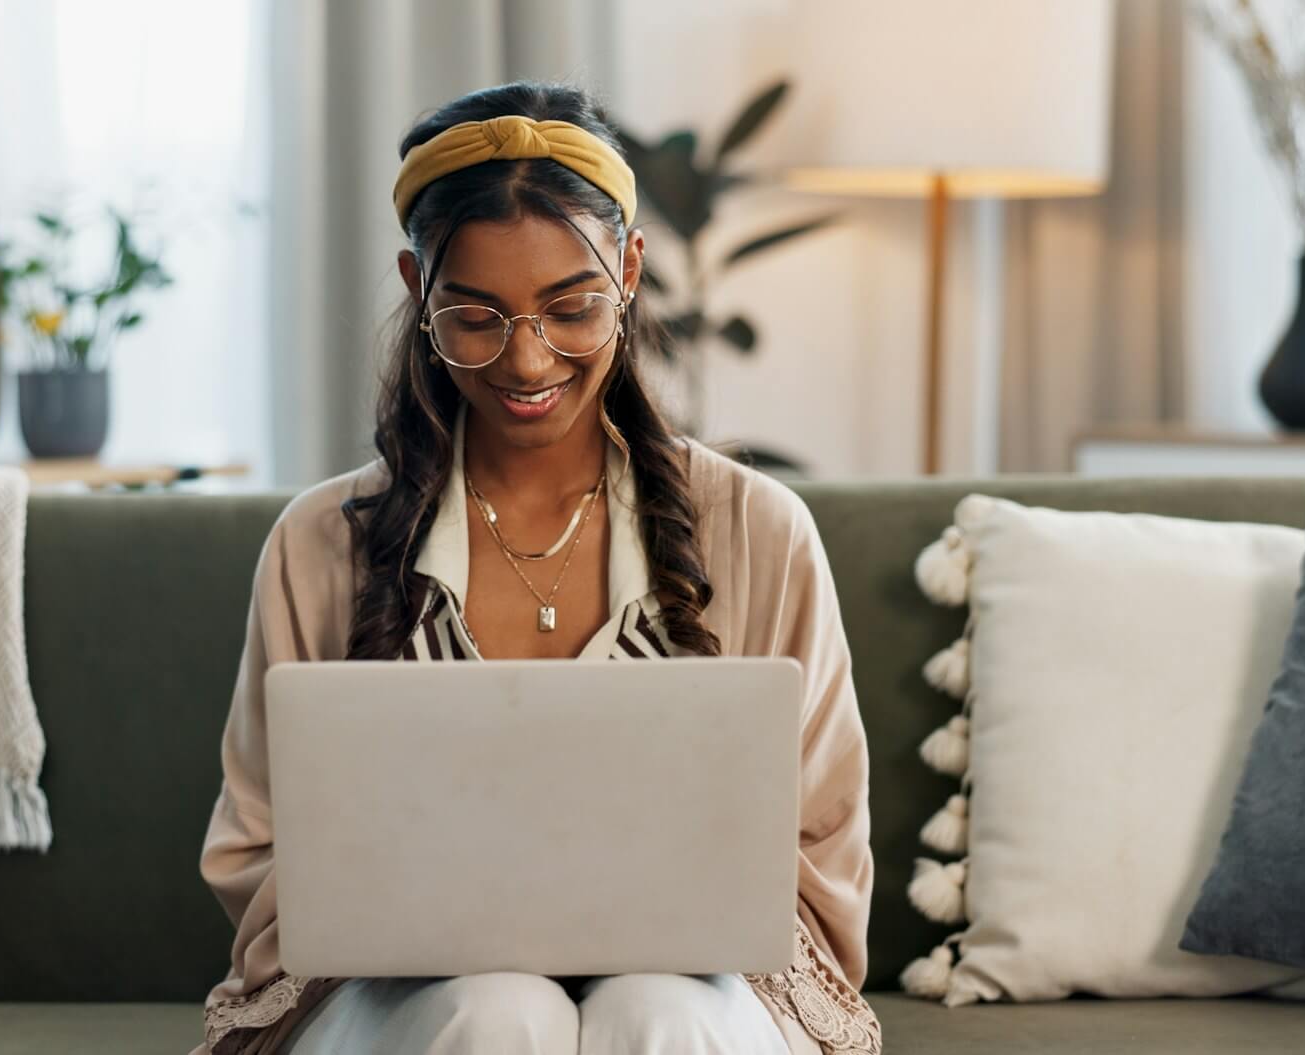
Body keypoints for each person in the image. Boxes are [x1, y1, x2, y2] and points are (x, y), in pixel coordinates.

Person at [192, 81, 879, 1055]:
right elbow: (258, 845)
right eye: (475, 317)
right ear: (414, 286)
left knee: (660, 1013)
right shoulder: (320, 542)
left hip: (698, 993)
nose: (525, 361)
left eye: (571, 308)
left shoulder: (760, 530)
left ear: (631, 269)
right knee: (496, 1008)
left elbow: (819, 848)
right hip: (411, 999)